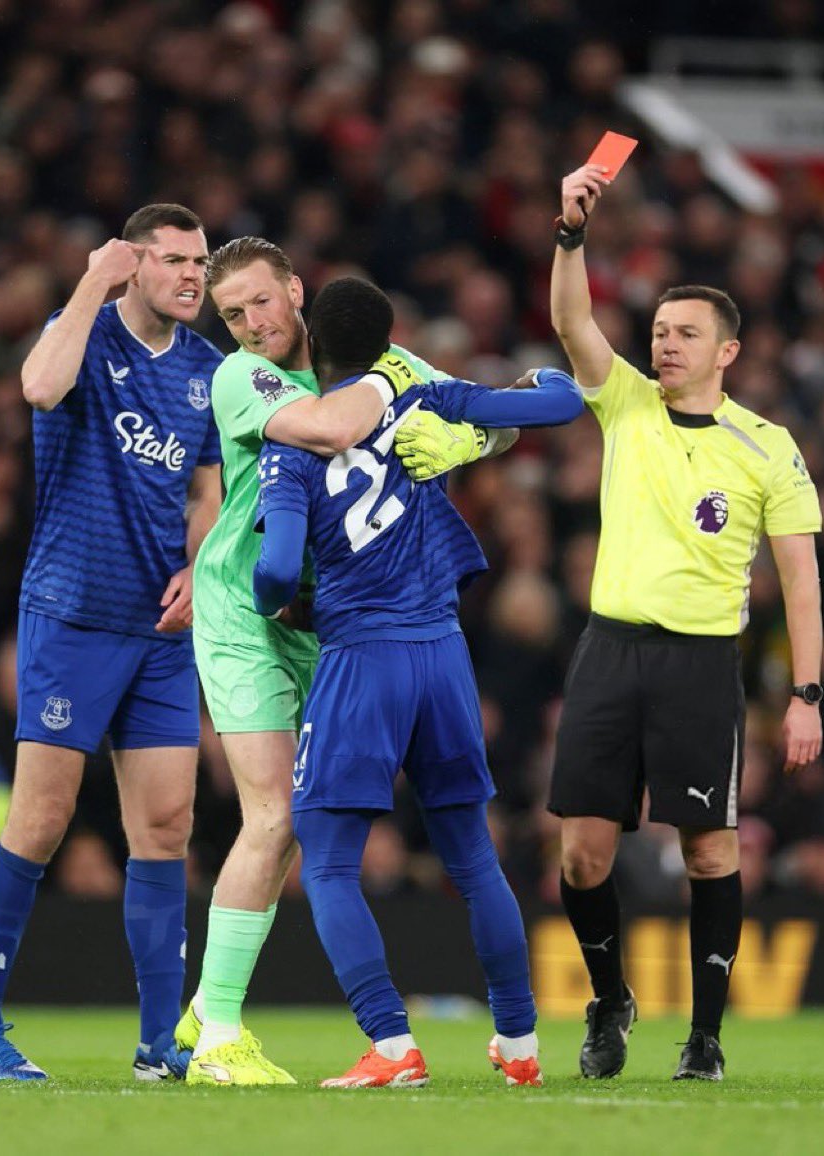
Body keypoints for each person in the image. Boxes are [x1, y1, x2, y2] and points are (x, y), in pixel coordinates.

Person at [177, 237, 516, 1085]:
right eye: (231, 316)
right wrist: (408, 395)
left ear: (296, 289)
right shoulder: (241, 379)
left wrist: (467, 446)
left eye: (260, 302)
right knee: (277, 818)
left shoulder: (369, 356)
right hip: (246, 612)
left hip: (330, 621)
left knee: (303, 822)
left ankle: (208, 1005)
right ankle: (217, 1034)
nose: (251, 325)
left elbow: (497, 417)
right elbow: (330, 428)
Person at [250, 275, 584, 1087]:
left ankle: (392, 1045)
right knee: (472, 854)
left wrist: (290, 610)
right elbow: (560, 403)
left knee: (327, 860)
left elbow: (275, 569)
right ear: (389, 340)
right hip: (442, 653)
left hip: (361, 655)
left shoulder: (292, 436)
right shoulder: (424, 393)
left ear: (311, 345)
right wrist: (515, 403)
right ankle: (520, 1041)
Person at [548, 165, 824, 1081]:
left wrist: (806, 696)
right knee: (583, 855)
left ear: (727, 353)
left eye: (685, 335)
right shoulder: (625, 404)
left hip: (702, 664)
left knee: (708, 848)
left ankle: (704, 1037)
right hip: (609, 650)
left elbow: (800, 578)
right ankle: (609, 999)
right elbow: (570, 324)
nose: (665, 346)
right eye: (660, 331)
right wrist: (571, 234)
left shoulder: (766, 448)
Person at [0, 204, 222, 1081]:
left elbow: (211, 492)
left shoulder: (208, 371)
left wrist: (201, 565)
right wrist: (88, 283)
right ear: (135, 263)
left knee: (167, 825)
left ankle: (157, 1046)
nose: (194, 276)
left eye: (202, 262)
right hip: (72, 612)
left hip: (160, 630)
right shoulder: (81, 333)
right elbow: (37, 387)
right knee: (40, 821)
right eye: (176, 260)